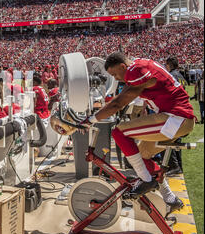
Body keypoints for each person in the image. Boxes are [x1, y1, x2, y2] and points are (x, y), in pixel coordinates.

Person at [80, 52, 195, 214]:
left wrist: (90, 120)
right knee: (142, 156)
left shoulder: (135, 70)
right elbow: (123, 98)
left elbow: (118, 104)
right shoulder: (139, 65)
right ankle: (169, 198)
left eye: (115, 74)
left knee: (119, 132)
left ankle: (146, 181)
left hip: (176, 118)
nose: (116, 78)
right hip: (176, 118)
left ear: (122, 66)